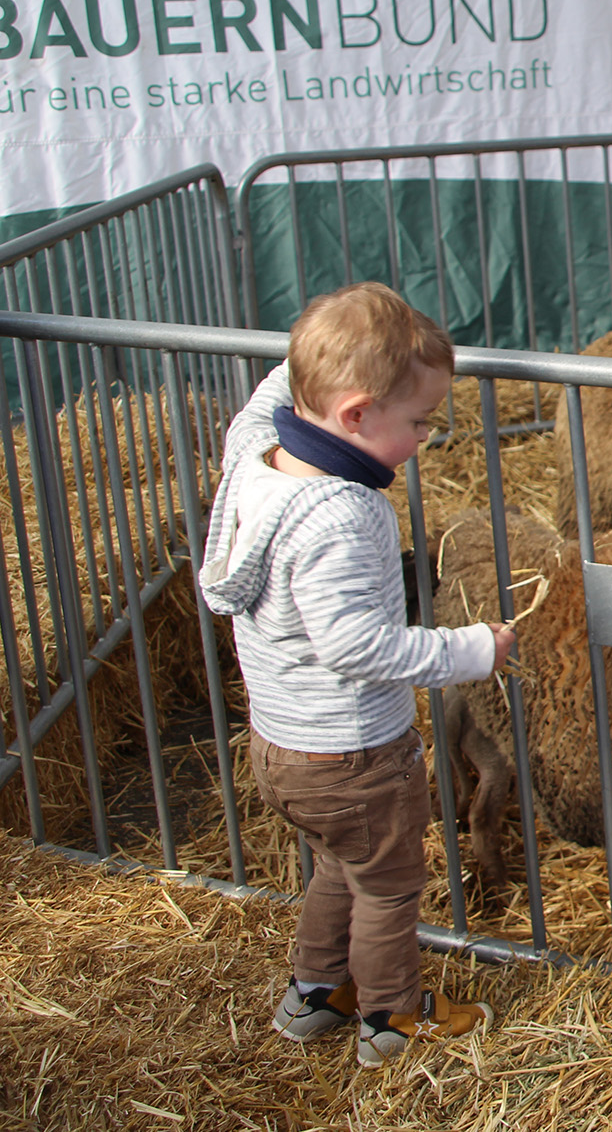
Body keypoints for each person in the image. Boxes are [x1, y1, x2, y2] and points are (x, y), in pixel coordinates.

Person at [197, 281, 515, 1066]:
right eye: (418, 422)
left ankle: (314, 994)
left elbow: (270, 396)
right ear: (355, 414)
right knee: (389, 888)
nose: (426, 437)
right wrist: (472, 649)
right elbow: (359, 645)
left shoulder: (253, 464)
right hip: (353, 755)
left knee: (339, 866)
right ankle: (391, 1018)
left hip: (283, 748)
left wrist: (341, 332)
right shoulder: (342, 515)